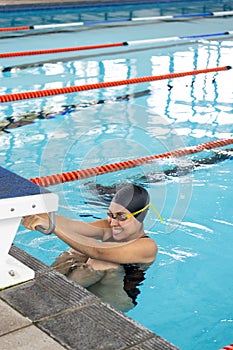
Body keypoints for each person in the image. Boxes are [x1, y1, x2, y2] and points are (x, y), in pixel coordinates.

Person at [22, 184, 159, 311]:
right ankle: (45, 284)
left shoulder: (147, 246)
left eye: (122, 217)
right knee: (77, 251)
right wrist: (37, 215)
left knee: (101, 261)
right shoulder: (108, 226)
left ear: (140, 216)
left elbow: (98, 251)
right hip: (94, 284)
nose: (113, 222)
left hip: (118, 298)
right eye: (110, 214)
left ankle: (55, 299)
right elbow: (73, 226)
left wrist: (53, 227)